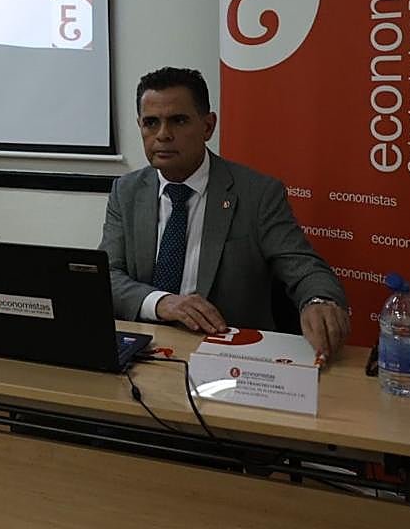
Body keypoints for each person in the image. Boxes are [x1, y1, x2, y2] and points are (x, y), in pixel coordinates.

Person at [100, 67, 349, 358]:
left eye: (178, 120)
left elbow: (304, 267)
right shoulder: (126, 191)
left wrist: (318, 300)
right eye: (151, 123)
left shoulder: (257, 194)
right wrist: (161, 302)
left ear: (208, 126)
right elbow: (106, 275)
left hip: (230, 355)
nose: (163, 135)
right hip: (147, 350)